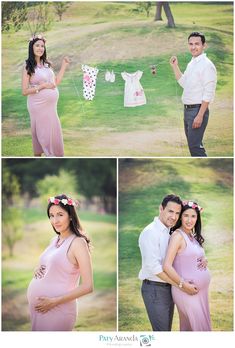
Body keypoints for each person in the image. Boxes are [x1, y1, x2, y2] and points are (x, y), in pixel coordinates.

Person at [27, 194, 93, 331]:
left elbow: (88, 286)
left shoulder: (78, 243)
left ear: (70, 216)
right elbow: (53, 265)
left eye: (60, 215)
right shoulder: (54, 240)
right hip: (40, 311)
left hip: (58, 310)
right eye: (51, 215)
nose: (55, 220)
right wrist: (38, 270)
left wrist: (53, 302)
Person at [163, 200, 211, 331]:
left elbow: (189, 255)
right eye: (186, 215)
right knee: (199, 330)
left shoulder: (191, 235)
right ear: (180, 217)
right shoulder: (177, 236)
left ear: (197, 218)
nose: (189, 220)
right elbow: (166, 266)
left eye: (193, 216)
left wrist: (204, 258)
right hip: (187, 291)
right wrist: (183, 285)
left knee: (189, 329)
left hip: (199, 293)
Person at [138, 194, 183, 331]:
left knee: (166, 331)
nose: (174, 217)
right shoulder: (150, 232)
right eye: (170, 211)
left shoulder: (169, 231)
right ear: (161, 208)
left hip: (168, 288)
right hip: (155, 289)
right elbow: (154, 268)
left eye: (177, 213)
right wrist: (180, 284)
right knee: (161, 333)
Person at [22, 34, 70, 157]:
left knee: (54, 130)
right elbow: (24, 91)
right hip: (37, 106)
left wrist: (64, 66)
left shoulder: (47, 65)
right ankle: (47, 156)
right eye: (37, 45)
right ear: (31, 47)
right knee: (42, 133)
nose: (40, 48)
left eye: (42, 46)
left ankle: (55, 156)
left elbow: (55, 83)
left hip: (51, 108)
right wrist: (42, 86)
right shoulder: (28, 66)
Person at [170, 32, 217, 157]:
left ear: (204, 45)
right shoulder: (192, 63)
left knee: (195, 148)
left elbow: (209, 92)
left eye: (197, 44)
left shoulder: (207, 65)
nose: (193, 47)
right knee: (193, 146)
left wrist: (200, 115)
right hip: (188, 111)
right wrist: (175, 67)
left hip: (197, 111)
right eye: (191, 44)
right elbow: (184, 83)